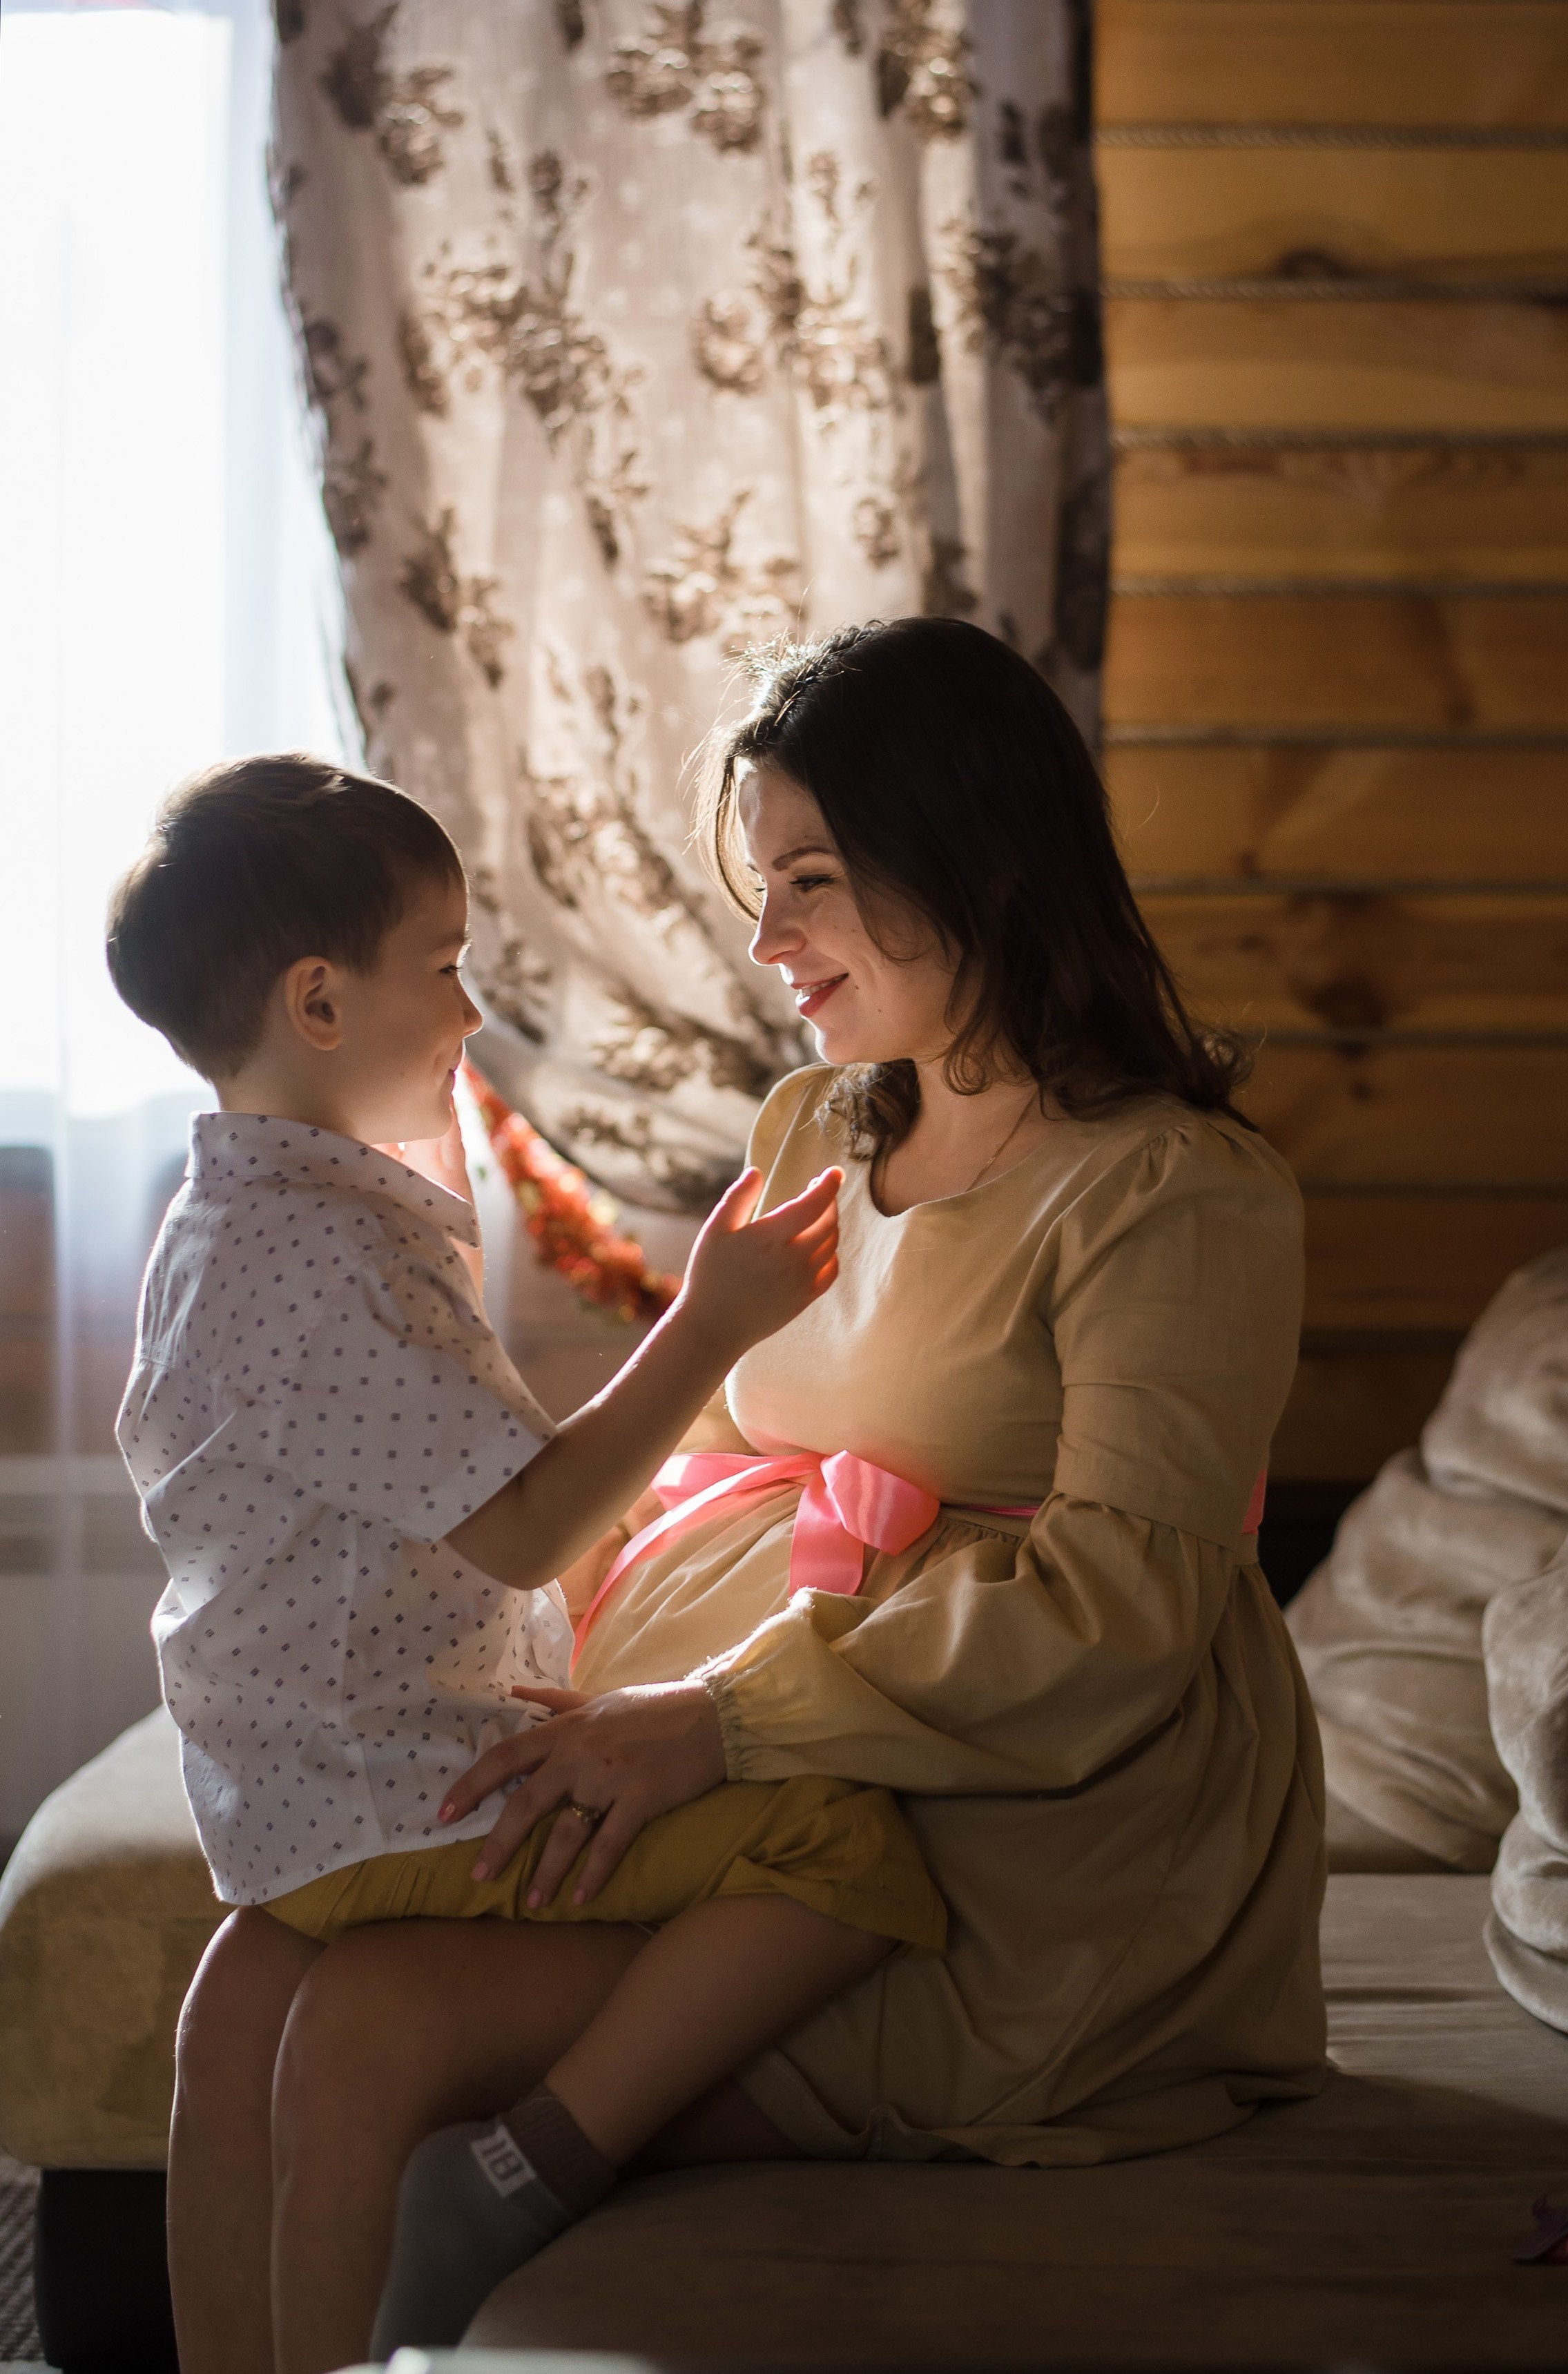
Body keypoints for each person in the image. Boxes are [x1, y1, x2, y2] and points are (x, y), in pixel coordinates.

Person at [168, 620, 1327, 2374]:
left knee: (364, 2029)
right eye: (761, 883)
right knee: (241, 1983)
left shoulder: (1173, 1195)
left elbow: (1120, 1618)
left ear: (974, 860)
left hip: (1014, 1829)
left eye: (810, 880)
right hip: (747, 1744)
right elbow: (690, 1452)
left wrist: (711, 1727)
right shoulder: (815, 1128)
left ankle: (520, 2183)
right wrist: (553, 1685)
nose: (765, 938)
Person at [106, 755, 947, 2367]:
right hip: (393, 1787)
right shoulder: (323, 1257)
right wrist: (708, 1321)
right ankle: (537, 2163)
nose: (473, 1014)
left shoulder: (223, 1222)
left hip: (286, 1792)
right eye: (444, 968)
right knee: (844, 1847)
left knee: (238, 2022)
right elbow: (528, 1522)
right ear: (319, 1001)